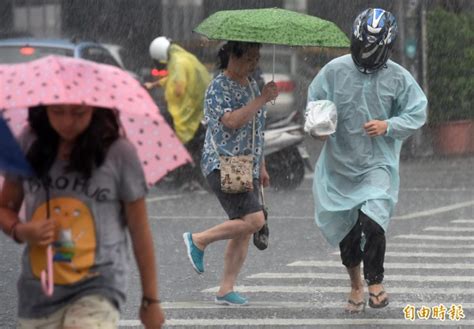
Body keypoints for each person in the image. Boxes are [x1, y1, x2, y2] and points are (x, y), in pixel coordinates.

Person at [0, 105, 165, 328]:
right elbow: (5, 207)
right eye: (57, 112)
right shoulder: (28, 142)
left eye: (79, 113)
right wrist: (20, 230)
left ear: (95, 109)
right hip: (39, 289)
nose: (67, 122)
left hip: (98, 283)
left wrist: (150, 299)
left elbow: (139, 230)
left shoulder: (118, 152)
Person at [307, 8, 427, 313]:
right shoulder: (334, 70)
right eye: (362, 44)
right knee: (347, 232)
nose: (365, 52)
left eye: (373, 47)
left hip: (377, 164)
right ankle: (355, 285)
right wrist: (318, 128)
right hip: (339, 166)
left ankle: (375, 282)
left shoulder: (398, 77)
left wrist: (389, 126)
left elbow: (417, 112)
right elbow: (316, 103)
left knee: (373, 220)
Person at [182, 41, 278, 305]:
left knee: (244, 227)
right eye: (249, 58)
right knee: (255, 220)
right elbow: (232, 121)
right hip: (223, 163)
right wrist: (261, 99)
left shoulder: (250, 85)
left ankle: (226, 289)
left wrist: (261, 166)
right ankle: (198, 240)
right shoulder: (218, 87)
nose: (254, 63)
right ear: (231, 58)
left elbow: (257, 130)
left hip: (246, 165)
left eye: (257, 58)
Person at [146, 36, 212, 189]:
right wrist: (154, 84)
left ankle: (185, 178)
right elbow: (174, 78)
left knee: (179, 141)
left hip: (191, 111)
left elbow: (179, 87)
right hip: (202, 108)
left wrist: (169, 95)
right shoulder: (184, 57)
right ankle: (188, 178)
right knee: (191, 145)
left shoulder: (178, 63)